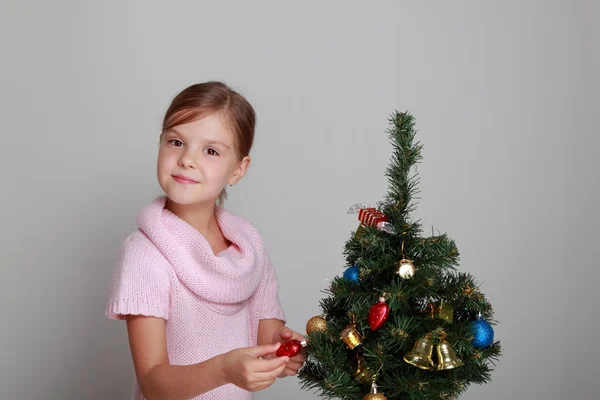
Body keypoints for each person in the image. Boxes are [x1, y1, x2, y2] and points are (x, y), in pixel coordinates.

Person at [106, 81, 306, 399]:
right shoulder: (145, 254)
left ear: (238, 170)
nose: (187, 159)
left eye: (210, 151)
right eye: (176, 142)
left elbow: (268, 340)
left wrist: (285, 351)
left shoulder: (249, 250)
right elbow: (153, 383)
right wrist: (223, 370)